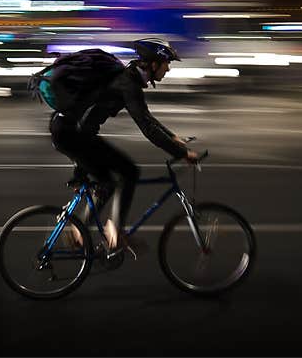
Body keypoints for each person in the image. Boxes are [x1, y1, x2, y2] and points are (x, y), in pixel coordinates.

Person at [49, 38, 199, 253]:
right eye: (167, 63)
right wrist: (182, 153)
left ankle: (79, 230)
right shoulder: (128, 83)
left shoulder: (128, 80)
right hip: (72, 134)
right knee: (129, 171)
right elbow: (147, 128)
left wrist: (172, 137)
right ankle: (114, 232)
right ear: (153, 63)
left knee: (107, 182)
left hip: (71, 131)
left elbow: (146, 117)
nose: (168, 69)